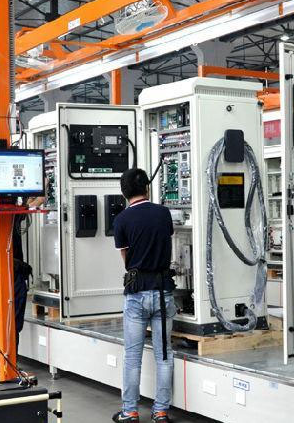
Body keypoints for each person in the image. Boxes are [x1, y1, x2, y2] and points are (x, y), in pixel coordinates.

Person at [112, 168, 176, 423]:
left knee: (132, 357)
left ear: (124, 193)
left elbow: (126, 259)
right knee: (164, 355)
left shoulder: (122, 220)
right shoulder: (163, 213)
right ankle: (161, 411)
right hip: (163, 292)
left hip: (137, 293)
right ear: (147, 188)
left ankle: (130, 412)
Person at [0, 197, 41, 376]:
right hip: (14, 274)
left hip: (5, 272)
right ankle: (8, 363)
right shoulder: (11, 215)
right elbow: (39, 200)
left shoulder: (0, 215)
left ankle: (2, 363)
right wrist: (41, 188)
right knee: (12, 320)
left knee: (6, 318)